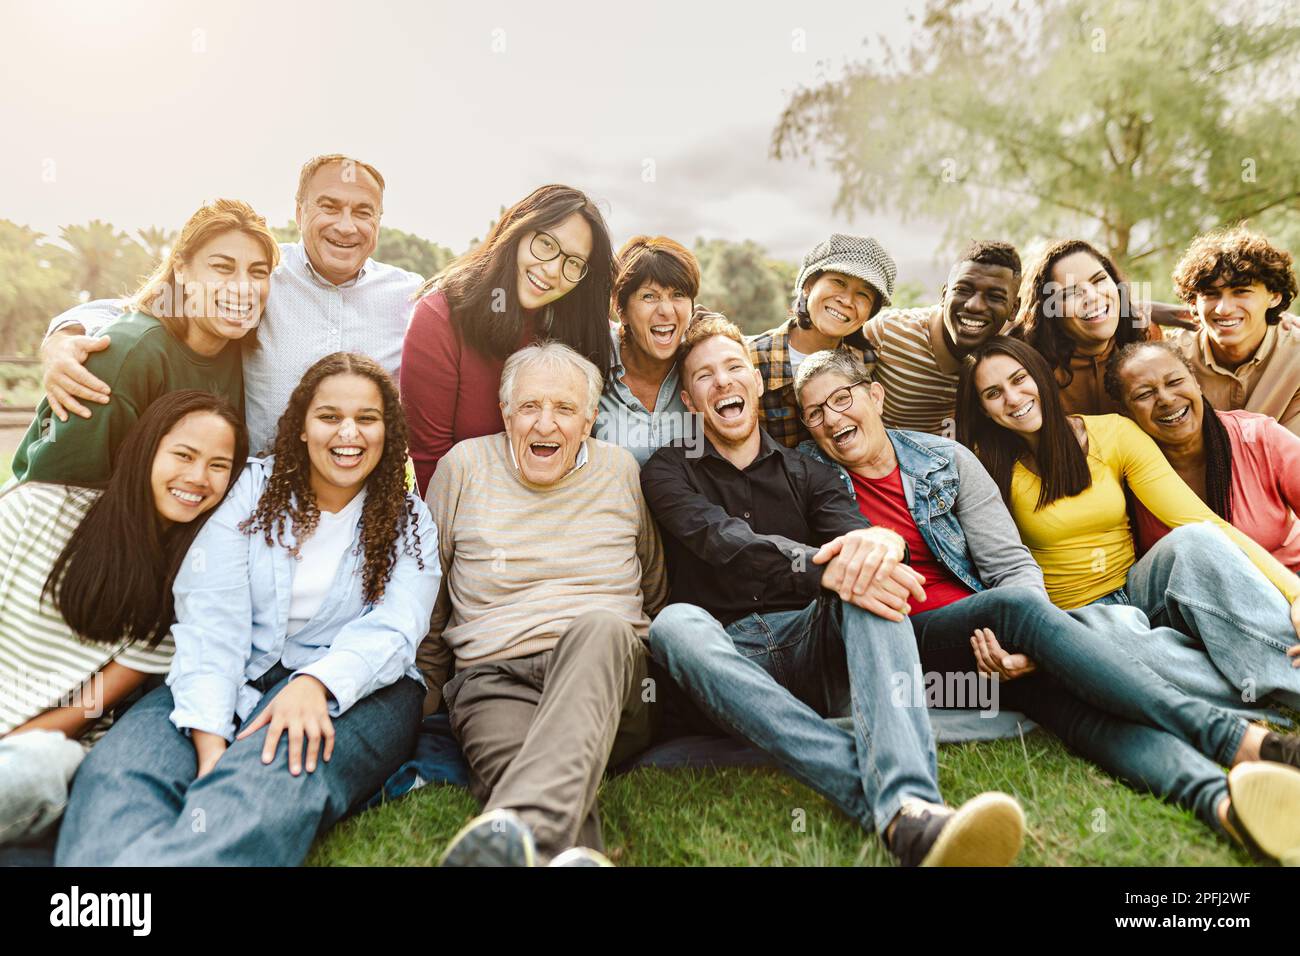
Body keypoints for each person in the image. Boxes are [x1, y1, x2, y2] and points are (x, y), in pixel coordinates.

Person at [792, 348, 1300, 859]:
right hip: (905, 643)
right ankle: (1235, 740)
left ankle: (1224, 808)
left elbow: (1010, 564)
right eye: (815, 413)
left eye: (842, 398)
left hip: (988, 643)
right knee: (1013, 608)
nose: (833, 418)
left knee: (1081, 714)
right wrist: (1021, 620)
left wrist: (1026, 647)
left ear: (875, 396)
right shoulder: (808, 480)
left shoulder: (945, 460)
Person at [643, 315, 1027, 867]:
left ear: (755, 380)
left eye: (733, 368)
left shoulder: (811, 473)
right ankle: (893, 807)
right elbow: (720, 538)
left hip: (810, 646)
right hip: (726, 655)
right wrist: (820, 569)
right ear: (690, 399)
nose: (723, 382)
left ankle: (911, 803)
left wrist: (876, 549)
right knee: (673, 623)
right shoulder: (666, 470)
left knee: (871, 584)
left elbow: (857, 539)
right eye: (705, 377)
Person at [56, 353, 438, 866]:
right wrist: (210, 740)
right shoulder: (252, 492)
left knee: (266, 777)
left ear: (387, 431)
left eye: (367, 418)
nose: (348, 433)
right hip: (236, 671)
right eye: (328, 416)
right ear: (301, 426)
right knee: (121, 771)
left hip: (363, 689)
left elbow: (397, 628)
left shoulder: (408, 518)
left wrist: (315, 683)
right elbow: (213, 616)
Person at [956, 337, 1300, 717]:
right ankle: (1249, 689)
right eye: (993, 393)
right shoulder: (984, 467)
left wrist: (1297, 595)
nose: (1013, 397)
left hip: (1139, 590)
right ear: (984, 410)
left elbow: (1202, 521)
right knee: (1117, 639)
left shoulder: (1113, 433)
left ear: (1039, 375)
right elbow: (996, 566)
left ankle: (1281, 678)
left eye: (1019, 379)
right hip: (1075, 618)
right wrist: (1036, 640)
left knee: (1195, 539)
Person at [418, 342, 664, 866]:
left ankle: (519, 832)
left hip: (606, 672)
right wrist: (427, 695)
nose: (545, 424)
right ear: (506, 413)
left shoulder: (620, 471)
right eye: (529, 407)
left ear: (591, 418)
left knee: (599, 627)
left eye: (564, 408)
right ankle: (562, 850)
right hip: (493, 679)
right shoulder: (463, 468)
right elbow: (428, 594)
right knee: (532, 771)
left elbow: (654, 583)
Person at [39, 154, 423, 456]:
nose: (345, 225)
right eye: (329, 206)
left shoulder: (410, 298)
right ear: (300, 212)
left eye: (362, 211)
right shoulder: (259, 276)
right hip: (254, 498)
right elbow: (142, 307)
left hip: (360, 501)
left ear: (379, 220)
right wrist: (63, 337)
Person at [0, 391, 246, 849]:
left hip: (37, 753)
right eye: (184, 455)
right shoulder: (34, 510)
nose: (197, 478)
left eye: (218, 465)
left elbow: (85, 708)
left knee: (36, 764)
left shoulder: (183, 593)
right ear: (145, 450)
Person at [9, 199, 274, 485]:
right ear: (182, 270)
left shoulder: (248, 345)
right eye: (222, 267)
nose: (243, 287)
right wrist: (59, 337)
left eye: (258, 272)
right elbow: (55, 487)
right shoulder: (129, 352)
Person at [401, 184, 616, 493]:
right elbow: (431, 464)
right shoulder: (441, 318)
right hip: (473, 516)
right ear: (517, 231)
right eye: (545, 244)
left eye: (573, 263)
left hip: (566, 509)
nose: (554, 270)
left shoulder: (575, 323)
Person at [1106, 340, 1300, 572]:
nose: (1166, 399)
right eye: (1144, 394)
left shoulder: (1259, 437)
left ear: (1196, 383)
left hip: (1288, 586)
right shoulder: (1119, 473)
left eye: (1175, 382)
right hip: (1190, 601)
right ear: (1125, 411)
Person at [860, 240, 1023, 437]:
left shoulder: (1013, 359)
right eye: (963, 290)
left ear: (1014, 308)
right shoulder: (887, 333)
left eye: (995, 296)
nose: (975, 306)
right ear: (944, 295)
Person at [747, 233, 894, 447]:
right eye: (838, 282)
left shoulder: (866, 361)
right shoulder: (752, 358)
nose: (847, 300)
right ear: (808, 285)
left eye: (863, 294)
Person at [1162, 227, 1300, 436]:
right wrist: (1149, 309)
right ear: (1193, 301)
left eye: (1241, 292)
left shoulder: (1295, 357)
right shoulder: (1171, 356)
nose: (1223, 309)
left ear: (1274, 296)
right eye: (1211, 294)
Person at [1013, 238, 1163, 416]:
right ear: (1049, 310)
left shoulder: (1147, 335)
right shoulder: (1026, 368)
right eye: (1070, 292)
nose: (1092, 297)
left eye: (1099, 280)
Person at [594, 235, 703, 466]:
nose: (666, 310)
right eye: (649, 296)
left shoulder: (705, 363)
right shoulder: (592, 360)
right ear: (621, 310)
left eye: (678, 295)